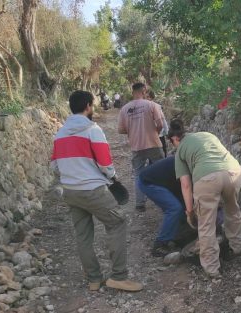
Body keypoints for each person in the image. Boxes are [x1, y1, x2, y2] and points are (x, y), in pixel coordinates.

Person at [50, 90, 142, 292]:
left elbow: (55, 166)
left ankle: (93, 279)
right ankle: (119, 276)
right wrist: (113, 177)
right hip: (93, 189)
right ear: (88, 106)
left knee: (83, 235)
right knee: (117, 223)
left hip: (70, 192)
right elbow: (105, 163)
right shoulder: (93, 129)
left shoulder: (60, 133)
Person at [167, 119, 241, 278]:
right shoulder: (207, 135)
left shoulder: (180, 149)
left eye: (172, 143)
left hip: (207, 178)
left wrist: (190, 212)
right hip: (233, 171)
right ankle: (237, 248)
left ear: (174, 139)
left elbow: (186, 185)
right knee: (233, 210)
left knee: (206, 224)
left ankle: (212, 269)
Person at [118, 83, 165, 212]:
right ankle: (165, 202)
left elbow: (121, 130)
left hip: (136, 146)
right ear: (144, 91)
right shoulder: (153, 105)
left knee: (139, 175)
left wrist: (132, 130)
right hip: (154, 144)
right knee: (162, 172)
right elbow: (160, 124)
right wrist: (154, 131)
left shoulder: (125, 109)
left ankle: (139, 204)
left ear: (133, 92)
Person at [135, 156, 188, 256]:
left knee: (182, 206)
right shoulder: (187, 166)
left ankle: (177, 236)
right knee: (174, 208)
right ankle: (160, 244)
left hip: (163, 182)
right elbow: (186, 188)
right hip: (148, 182)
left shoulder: (190, 162)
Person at [147, 90, 169, 157]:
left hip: (159, 134)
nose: (146, 99)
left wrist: (166, 131)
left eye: (148, 97)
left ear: (151, 97)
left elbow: (163, 119)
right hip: (149, 135)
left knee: (163, 152)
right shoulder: (142, 108)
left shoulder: (157, 106)